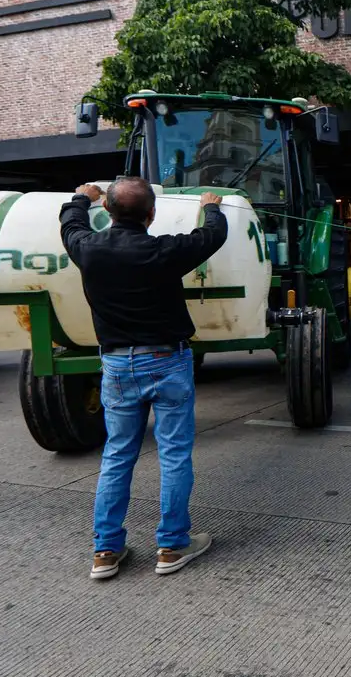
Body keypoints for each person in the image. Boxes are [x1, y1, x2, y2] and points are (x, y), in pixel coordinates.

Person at [60, 178, 228, 579]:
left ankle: (106, 551)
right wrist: (211, 206)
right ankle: (171, 546)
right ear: (151, 215)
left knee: (117, 456)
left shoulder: (87, 248)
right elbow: (211, 236)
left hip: (117, 366)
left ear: (109, 212)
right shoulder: (163, 251)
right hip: (167, 361)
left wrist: (82, 198)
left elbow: (69, 223)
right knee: (173, 455)